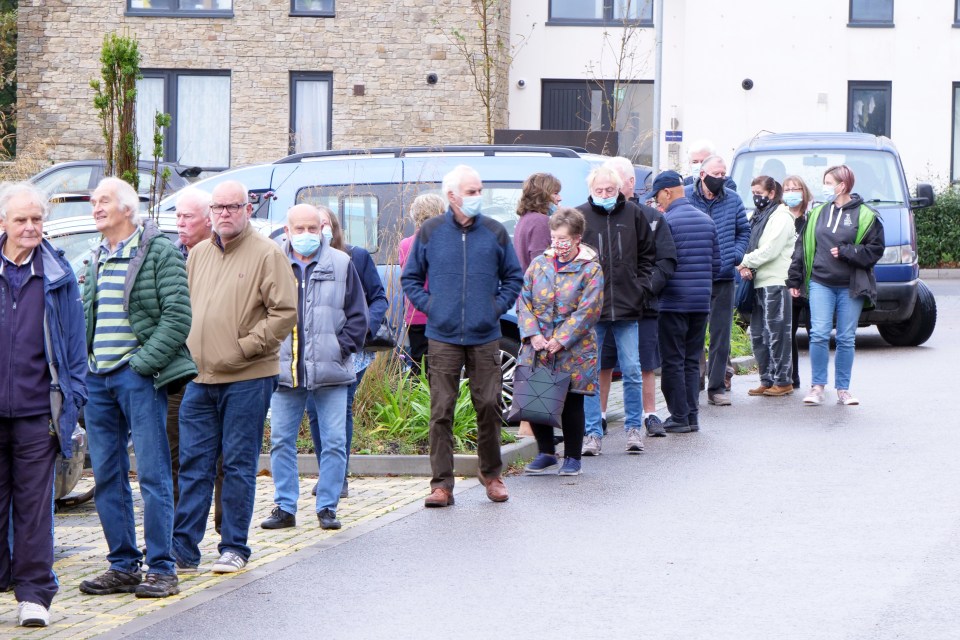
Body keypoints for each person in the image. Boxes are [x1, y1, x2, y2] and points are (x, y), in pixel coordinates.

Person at [78, 177, 196, 599]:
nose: (95, 207)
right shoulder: (94, 257)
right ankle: (124, 565)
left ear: (127, 208)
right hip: (98, 381)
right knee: (108, 475)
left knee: (152, 474)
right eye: (93, 202)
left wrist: (141, 366)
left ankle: (163, 567)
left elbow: (178, 318)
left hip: (137, 377)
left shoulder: (158, 251)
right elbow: (82, 321)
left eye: (103, 201)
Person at [173, 180, 297, 574]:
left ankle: (234, 547)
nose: (224, 213)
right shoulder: (198, 255)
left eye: (233, 206)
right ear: (210, 213)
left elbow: (284, 312)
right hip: (201, 377)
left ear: (248, 210)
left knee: (238, 465)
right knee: (193, 464)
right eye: (218, 207)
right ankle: (183, 550)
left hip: (247, 376)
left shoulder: (268, 254)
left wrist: (244, 347)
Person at [401, 165, 523, 508]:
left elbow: (513, 277)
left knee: (489, 404)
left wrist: (493, 308)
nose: (477, 197)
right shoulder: (431, 232)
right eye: (471, 191)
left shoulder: (496, 232)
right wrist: (433, 307)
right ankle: (441, 484)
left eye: (479, 190)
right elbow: (410, 279)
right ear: (452, 196)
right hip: (443, 336)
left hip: (485, 336)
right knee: (442, 409)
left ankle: (492, 475)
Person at [0, 182, 87, 627]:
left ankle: (33, 596)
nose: (31, 227)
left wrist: (72, 404)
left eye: (37, 219)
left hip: (39, 413)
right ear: (3, 224)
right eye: (22, 220)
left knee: (34, 509)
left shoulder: (58, 274)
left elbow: (74, 349)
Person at [261, 204, 368, 531]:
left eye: (313, 228)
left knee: (334, 441)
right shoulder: (272, 261)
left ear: (322, 229)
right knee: (281, 440)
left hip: (332, 371)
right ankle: (285, 506)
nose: (307, 235)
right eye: (300, 229)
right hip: (284, 371)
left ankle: (327, 506)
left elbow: (358, 316)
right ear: (288, 230)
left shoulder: (342, 263)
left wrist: (339, 349)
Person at [786, 165, 884, 406]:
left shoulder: (865, 215)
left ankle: (843, 389)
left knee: (845, 338)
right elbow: (803, 248)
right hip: (821, 282)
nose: (825, 186)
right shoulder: (817, 212)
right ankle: (817, 386)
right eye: (825, 182)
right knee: (818, 334)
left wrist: (847, 252)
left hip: (850, 285)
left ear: (843, 185)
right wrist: (795, 279)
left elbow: (875, 250)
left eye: (829, 182)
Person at [306, 207, 385, 501]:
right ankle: (328, 471)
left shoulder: (356, 256)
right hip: (313, 351)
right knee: (314, 411)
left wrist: (361, 332)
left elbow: (378, 298)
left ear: (333, 227)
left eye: (323, 224)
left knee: (340, 409)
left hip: (351, 350)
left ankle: (338, 477)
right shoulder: (300, 261)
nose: (318, 230)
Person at [517, 207, 603, 476]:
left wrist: (561, 339)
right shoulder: (539, 264)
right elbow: (524, 301)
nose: (558, 244)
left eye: (563, 238)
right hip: (538, 344)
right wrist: (534, 334)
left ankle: (573, 458)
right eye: (554, 237)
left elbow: (588, 310)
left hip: (574, 348)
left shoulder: (591, 269)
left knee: (572, 401)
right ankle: (545, 452)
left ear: (577, 238)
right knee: (536, 398)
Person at [577, 165, 656, 455]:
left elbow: (649, 255)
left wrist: (641, 288)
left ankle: (634, 429)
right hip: (592, 310)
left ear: (620, 188)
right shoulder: (581, 216)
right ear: (591, 191)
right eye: (599, 191)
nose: (605, 194)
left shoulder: (633, 214)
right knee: (590, 373)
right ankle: (592, 433)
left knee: (633, 370)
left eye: (610, 190)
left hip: (627, 306)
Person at [605, 156, 677, 437]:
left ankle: (650, 414)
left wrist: (644, 289)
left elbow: (666, 260)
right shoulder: (595, 217)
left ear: (631, 183)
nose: (609, 187)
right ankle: (598, 417)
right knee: (604, 362)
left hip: (642, 305)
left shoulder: (653, 218)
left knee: (645, 363)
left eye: (616, 180)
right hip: (606, 305)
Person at [651, 171, 720, 433]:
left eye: (658, 197)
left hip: (673, 302)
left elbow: (662, 263)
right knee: (692, 360)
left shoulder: (667, 221)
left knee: (672, 360)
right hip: (700, 302)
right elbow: (717, 264)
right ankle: (692, 416)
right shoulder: (706, 220)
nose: (658, 203)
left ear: (668, 192)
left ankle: (678, 416)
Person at [684, 155, 750, 406]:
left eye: (723, 174)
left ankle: (717, 387)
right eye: (717, 174)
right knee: (694, 333)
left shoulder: (732, 199)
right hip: (694, 276)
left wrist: (735, 255)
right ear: (703, 175)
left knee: (721, 336)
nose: (721, 178)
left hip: (723, 276)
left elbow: (744, 231)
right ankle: (694, 383)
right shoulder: (687, 197)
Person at [168, 188, 213, 507]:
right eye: (177, 216)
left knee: (218, 455)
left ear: (208, 221)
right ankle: (173, 528)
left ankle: (226, 532)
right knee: (172, 451)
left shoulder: (219, 256)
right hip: (174, 368)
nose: (179, 223)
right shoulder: (169, 256)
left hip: (214, 367)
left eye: (187, 217)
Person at [738, 176, 796, 397]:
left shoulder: (781, 216)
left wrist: (744, 261)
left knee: (777, 334)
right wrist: (747, 265)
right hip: (758, 281)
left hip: (776, 282)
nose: (756, 197)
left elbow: (770, 250)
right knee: (759, 334)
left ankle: (783, 381)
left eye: (759, 192)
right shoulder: (759, 216)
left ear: (772, 193)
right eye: (752, 192)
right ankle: (767, 379)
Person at [398, 193, 446, 375]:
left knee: (419, 367)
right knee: (443, 370)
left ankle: (417, 402)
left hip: (415, 314)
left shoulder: (406, 244)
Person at [781, 175, 813, 388]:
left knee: (816, 332)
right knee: (788, 332)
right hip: (787, 281)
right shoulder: (779, 217)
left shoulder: (811, 218)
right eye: (788, 188)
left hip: (808, 283)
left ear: (804, 192)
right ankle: (793, 378)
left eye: (796, 188)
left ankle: (818, 381)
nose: (792, 192)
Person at [513, 172, 562, 272]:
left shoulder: (526, 218)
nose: (560, 198)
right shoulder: (540, 222)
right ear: (542, 196)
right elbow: (542, 266)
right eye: (555, 193)